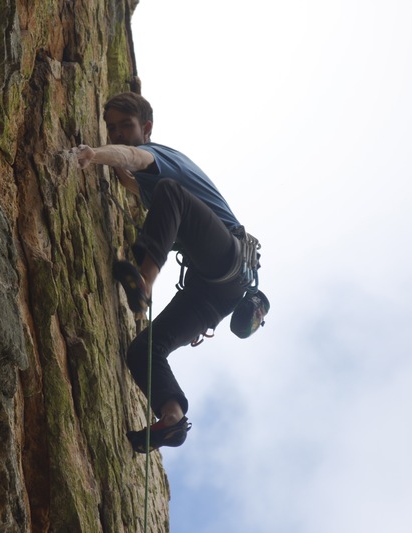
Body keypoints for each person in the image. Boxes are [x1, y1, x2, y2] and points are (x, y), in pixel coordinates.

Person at [70, 92, 246, 453]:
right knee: (144, 351)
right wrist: (118, 171)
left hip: (229, 257)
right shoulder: (148, 177)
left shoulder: (162, 157)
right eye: (111, 127)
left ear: (146, 127)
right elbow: (132, 178)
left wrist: (94, 154)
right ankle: (171, 418)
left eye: (126, 126)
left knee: (171, 193)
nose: (117, 132)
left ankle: (145, 280)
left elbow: (133, 157)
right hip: (214, 293)